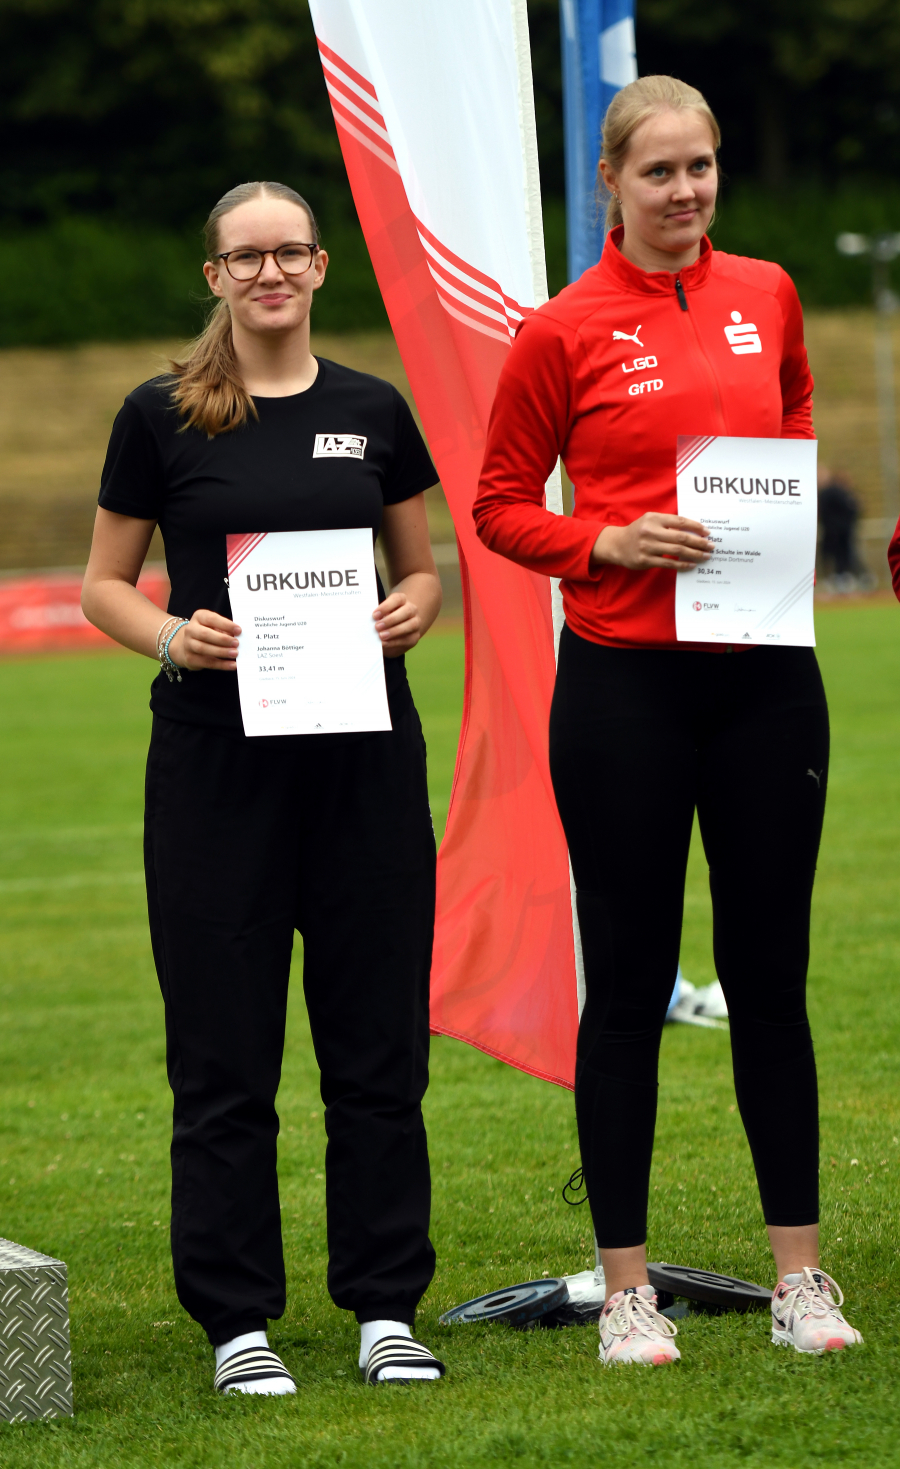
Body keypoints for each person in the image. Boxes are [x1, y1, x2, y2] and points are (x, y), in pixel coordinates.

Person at [474, 76, 862, 1366]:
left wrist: (779, 500)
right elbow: (498, 504)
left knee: (771, 981)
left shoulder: (769, 291)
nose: (686, 191)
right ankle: (627, 1288)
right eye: (660, 171)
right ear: (611, 182)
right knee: (631, 986)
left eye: (701, 166)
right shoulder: (560, 329)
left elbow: (795, 408)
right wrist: (605, 539)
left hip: (768, 682)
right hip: (624, 690)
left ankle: (801, 1278)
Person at [82, 180, 447, 1393]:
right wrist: (172, 637)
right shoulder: (160, 414)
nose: (271, 272)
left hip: (363, 765)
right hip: (215, 770)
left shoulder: (372, 408)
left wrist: (412, 607)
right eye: (247, 257)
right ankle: (237, 1319)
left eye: (290, 251)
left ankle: (385, 1306)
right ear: (217, 277)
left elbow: (421, 571)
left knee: (377, 1049)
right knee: (223, 1056)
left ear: (322, 265)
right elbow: (103, 586)